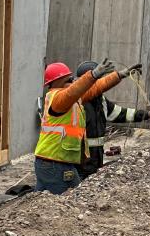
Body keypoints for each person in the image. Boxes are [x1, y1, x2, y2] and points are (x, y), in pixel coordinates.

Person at [35, 58, 118, 194]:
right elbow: (73, 91)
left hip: (54, 161)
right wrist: (93, 74)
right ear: (57, 82)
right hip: (55, 163)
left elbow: (97, 87)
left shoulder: (71, 98)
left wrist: (119, 75)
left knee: (41, 201)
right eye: (69, 79)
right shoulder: (58, 99)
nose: (73, 81)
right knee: (71, 199)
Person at [73, 60, 150, 177]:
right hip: (78, 161)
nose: (103, 83)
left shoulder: (101, 101)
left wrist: (146, 115)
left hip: (95, 160)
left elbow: (119, 113)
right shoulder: (76, 102)